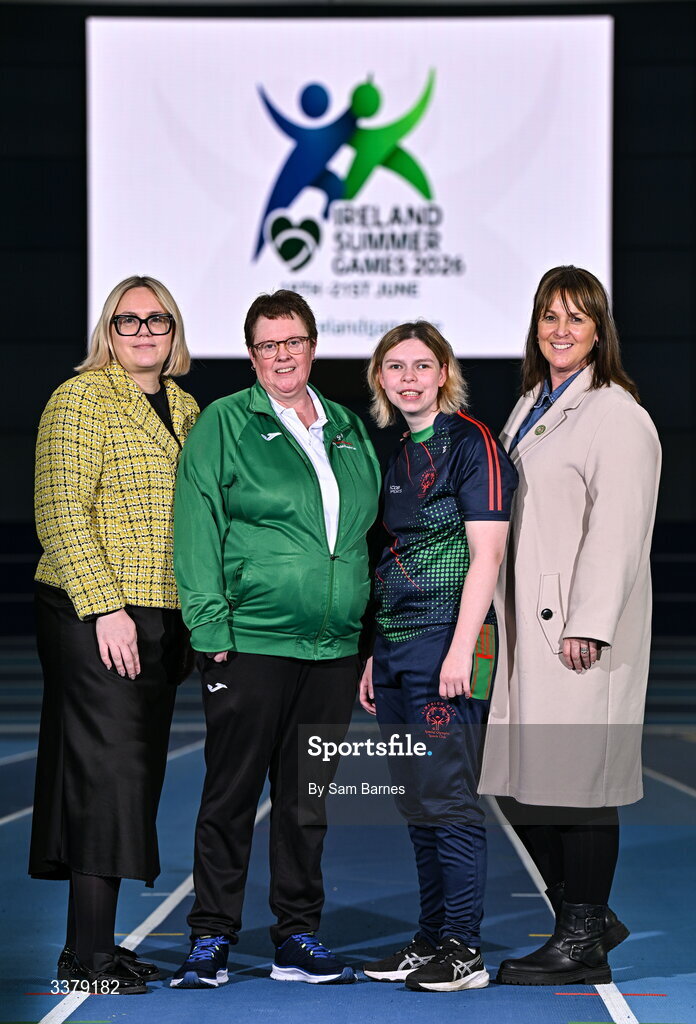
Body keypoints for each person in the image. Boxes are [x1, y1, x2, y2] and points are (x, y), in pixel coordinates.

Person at [172, 289, 380, 988]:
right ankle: (211, 936)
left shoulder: (348, 427)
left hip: (331, 650)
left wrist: (365, 636)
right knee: (230, 795)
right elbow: (196, 525)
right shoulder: (225, 424)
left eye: (292, 341)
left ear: (313, 346)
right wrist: (209, 626)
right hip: (251, 642)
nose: (281, 355)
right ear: (252, 354)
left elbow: (367, 540)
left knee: (305, 803)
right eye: (267, 345)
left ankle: (297, 935)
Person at [478, 265, 661, 986]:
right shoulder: (531, 402)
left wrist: (590, 622)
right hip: (526, 622)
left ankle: (581, 937)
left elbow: (619, 531)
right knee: (523, 779)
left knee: (579, 784)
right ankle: (586, 912)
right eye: (549, 316)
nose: (560, 330)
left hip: (575, 630)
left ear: (598, 332)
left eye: (576, 318)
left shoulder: (617, 413)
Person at [30, 276, 199, 993]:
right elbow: (60, 510)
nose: (142, 330)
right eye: (127, 319)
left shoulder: (188, 408)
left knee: (127, 779)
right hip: (96, 614)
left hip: (161, 614)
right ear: (109, 328)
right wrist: (105, 608)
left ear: (173, 331)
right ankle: (87, 956)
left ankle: (93, 942)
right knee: (107, 778)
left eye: (155, 319)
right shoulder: (80, 399)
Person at [358, 322, 518, 992]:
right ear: (381, 381)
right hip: (397, 649)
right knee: (416, 801)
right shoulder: (397, 454)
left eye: (423, 365)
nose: (410, 378)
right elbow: (394, 557)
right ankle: (430, 939)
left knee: (448, 799)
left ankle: (464, 949)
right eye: (395, 367)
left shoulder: (471, 442)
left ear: (445, 372)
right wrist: (375, 653)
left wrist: (460, 649)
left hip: (448, 646)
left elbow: (488, 555)